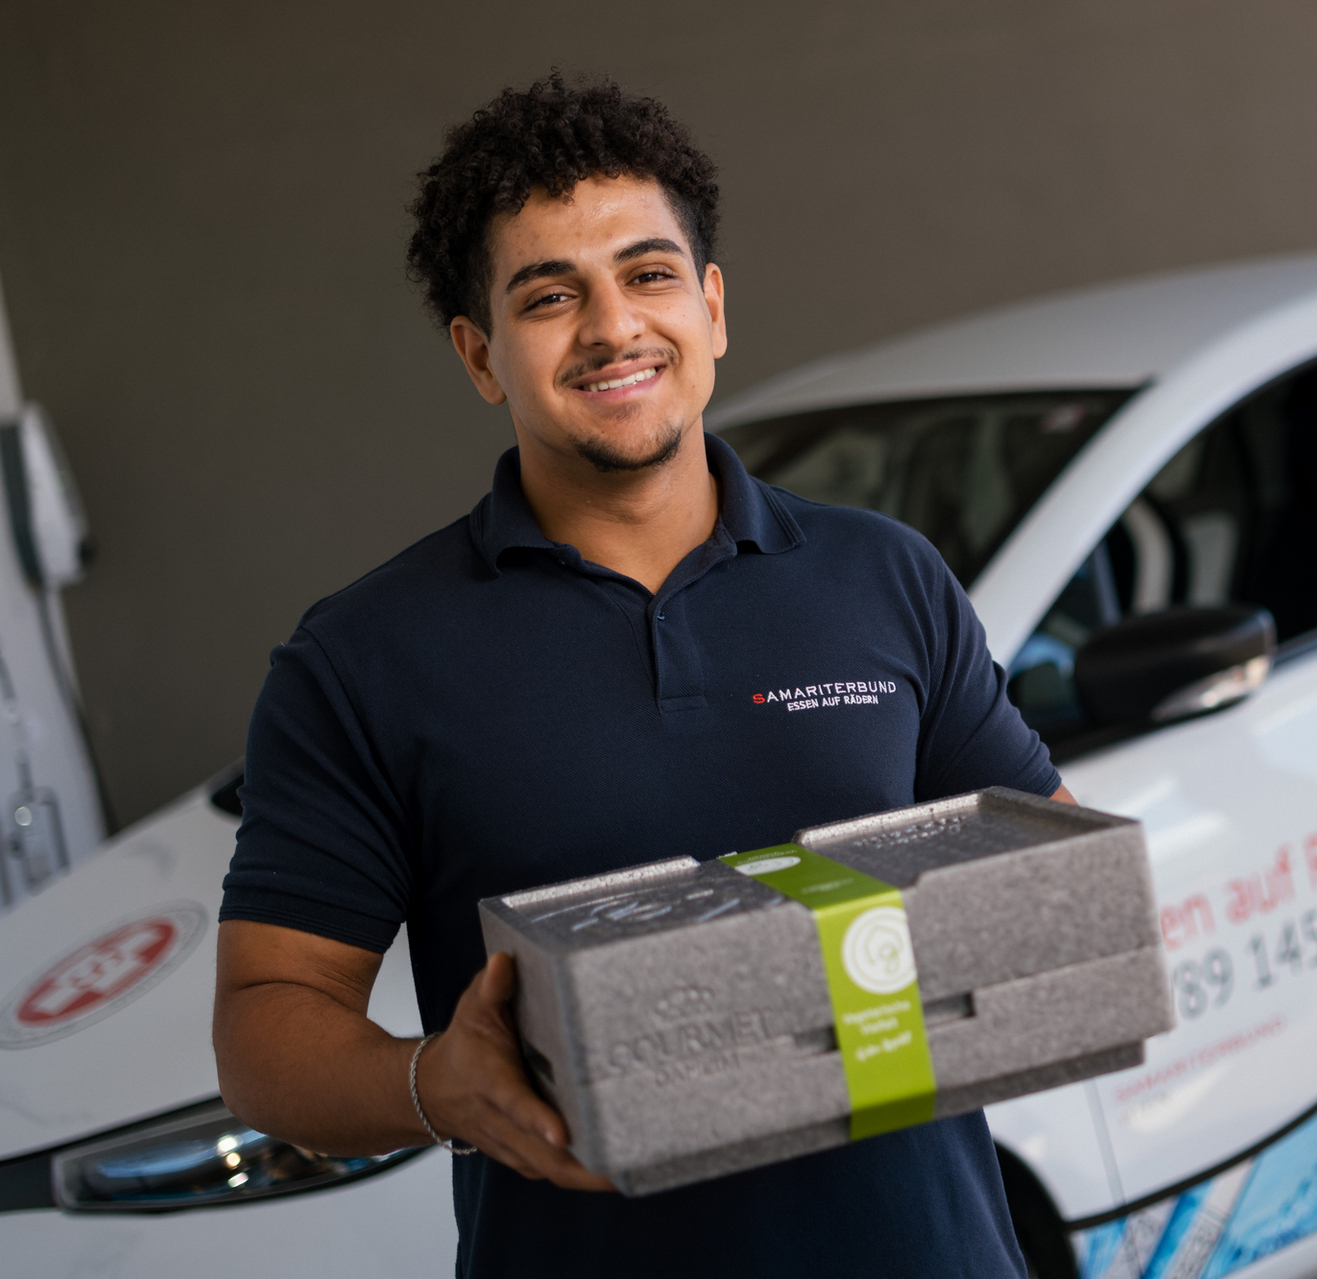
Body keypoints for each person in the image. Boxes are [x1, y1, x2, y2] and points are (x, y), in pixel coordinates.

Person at [212, 73, 1070, 1278]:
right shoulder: (361, 660)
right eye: (551, 296)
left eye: (650, 274)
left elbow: (1047, 858)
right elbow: (264, 1023)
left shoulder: (883, 577)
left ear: (712, 307)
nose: (615, 326)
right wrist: (433, 1081)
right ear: (480, 355)